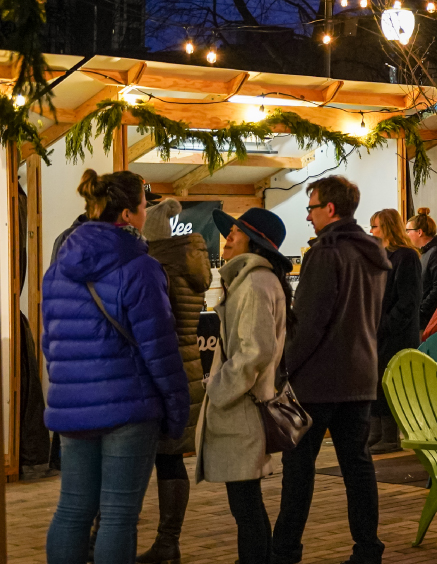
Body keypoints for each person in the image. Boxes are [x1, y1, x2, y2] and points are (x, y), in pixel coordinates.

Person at [43, 170, 189, 564]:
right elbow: (160, 349)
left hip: (72, 405)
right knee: (119, 517)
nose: (147, 214)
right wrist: (178, 411)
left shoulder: (58, 267)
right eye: (144, 207)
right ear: (127, 214)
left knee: (72, 511)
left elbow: (50, 342)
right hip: (129, 407)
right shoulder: (140, 268)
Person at [273, 175, 391, 564]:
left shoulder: (326, 253)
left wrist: (285, 368)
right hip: (360, 377)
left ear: (330, 208)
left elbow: (309, 322)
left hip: (318, 381)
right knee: (358, 467)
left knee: (299, 470)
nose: (307, 217)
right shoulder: (373, 252)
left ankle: (285, 550)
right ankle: (367, 548)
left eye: (311, 207)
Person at [196, 208, 293, 564]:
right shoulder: (252, 280)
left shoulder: (253, 283)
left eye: (235, 232)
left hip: (242, 410)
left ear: (253, 240)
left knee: (246, 506)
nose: (228, 237)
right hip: (244, 407)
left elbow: (256, 351)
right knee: (246, 504)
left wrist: (219, 389)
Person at [135, 198, 210, 564]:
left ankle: (130, 538)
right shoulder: (191, 264)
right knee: (171, 458)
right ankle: (169, 539)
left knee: (140, 458)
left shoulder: (158, 268)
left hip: (159, 371)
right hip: (188, 369)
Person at [367, 209, 423, 454]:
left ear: (388, 228)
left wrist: (386, 324)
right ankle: (376, 433)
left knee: (388, 383)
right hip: (379, 330)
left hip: (395, 334)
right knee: (376, 382)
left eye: (376, 227)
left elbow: (408, 300)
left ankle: (390, 436)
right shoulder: (383, 255)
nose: (372, 232)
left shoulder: (406, 257)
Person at [407, 208, 437, 327]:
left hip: (431, 319)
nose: (406, 234)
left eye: (408, 231)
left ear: (419, 232)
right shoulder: (426, 252)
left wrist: (421, 312)